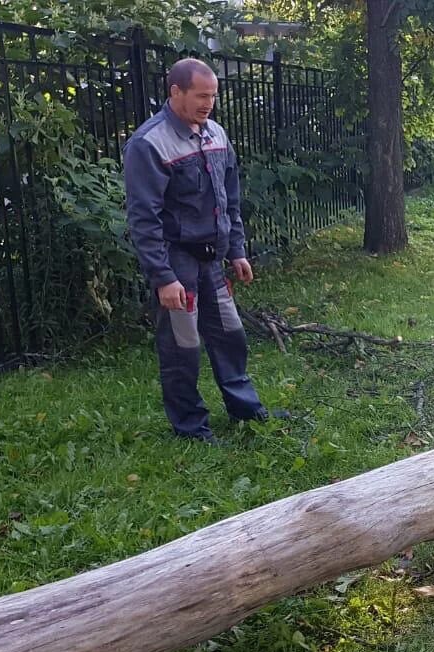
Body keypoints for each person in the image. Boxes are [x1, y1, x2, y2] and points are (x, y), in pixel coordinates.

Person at [124, 58, 276, 442]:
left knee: (230, 335)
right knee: (182, 347)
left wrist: (237, 250)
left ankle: (246, 410)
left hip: (213, 259)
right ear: (175, 92)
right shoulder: (149, 144)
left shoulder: (216, 134)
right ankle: (191, 428)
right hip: (178, 262)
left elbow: (230, 200)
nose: (208, 103)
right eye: (201, 95)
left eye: (213, 96)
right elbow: (145, 218)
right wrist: (164, 277)